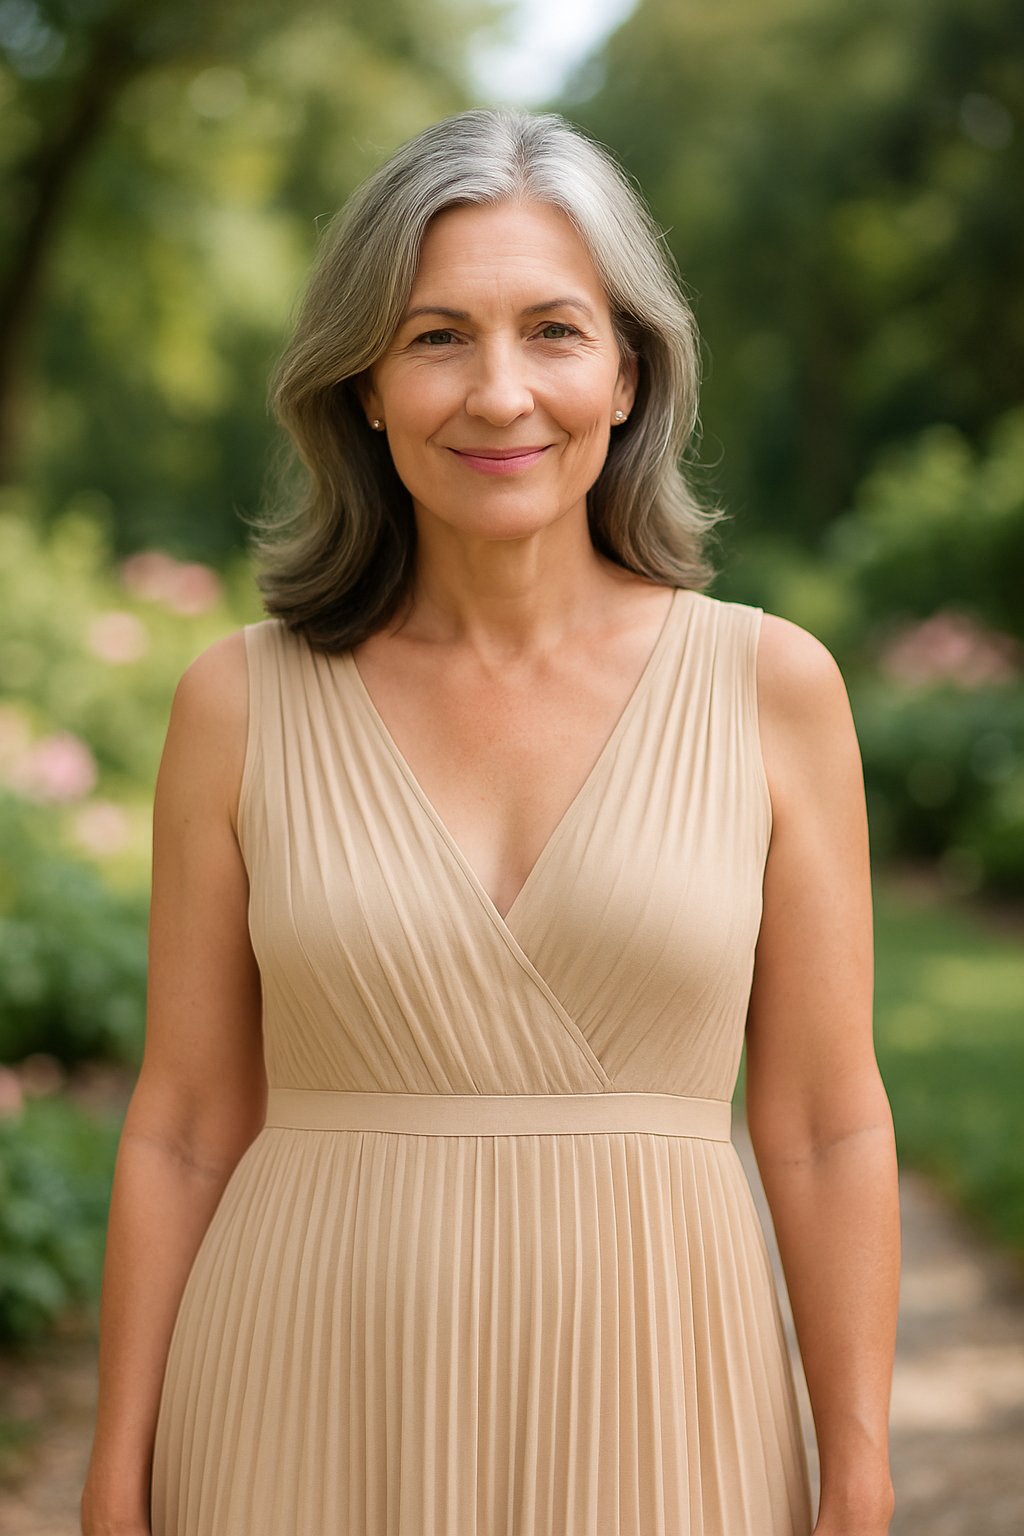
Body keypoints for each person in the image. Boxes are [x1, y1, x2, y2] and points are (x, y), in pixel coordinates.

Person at [81, 107, 900, 1536]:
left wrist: (860, 1474)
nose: (499, 392)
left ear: (630, 372)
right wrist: (114, 1472)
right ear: (367, 388)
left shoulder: (771, 689)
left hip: (667, 1400)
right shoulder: (238, 704)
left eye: (554, 332)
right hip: (294, 1399)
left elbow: (827, 1127)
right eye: (437, 335)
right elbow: (187, 1123)